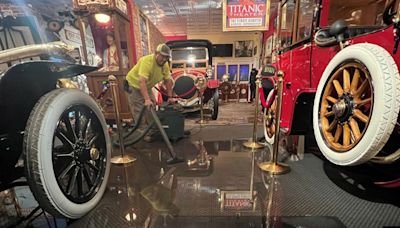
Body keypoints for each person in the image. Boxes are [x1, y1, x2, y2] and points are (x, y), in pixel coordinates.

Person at [125, 43, 174, 142]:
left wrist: (170, 97)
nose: (164, 59)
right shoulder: (147, 61)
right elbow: (141, 81)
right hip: (133, 85)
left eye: (166, 57)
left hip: (146, 86)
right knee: (139, 109)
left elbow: (168, 80)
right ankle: (143, 133)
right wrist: (146, 99)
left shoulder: (165, 64)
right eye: (162, 56)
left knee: (152, 106)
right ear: (156, 53)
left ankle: (152, 130)